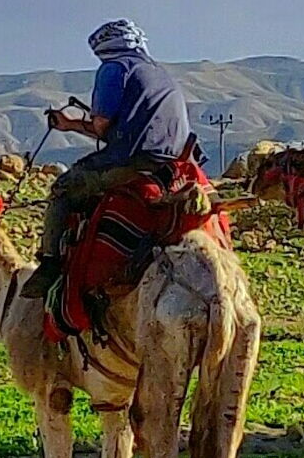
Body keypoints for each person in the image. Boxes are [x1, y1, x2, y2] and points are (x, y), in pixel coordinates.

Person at [22, 19, 200, 298]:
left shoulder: (114, 69)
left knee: (64, 188)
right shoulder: (160, 72)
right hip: (174, 161)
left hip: (133, 159)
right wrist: (72, 125)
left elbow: (102, 123)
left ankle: (50, 263)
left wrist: (76, 124)